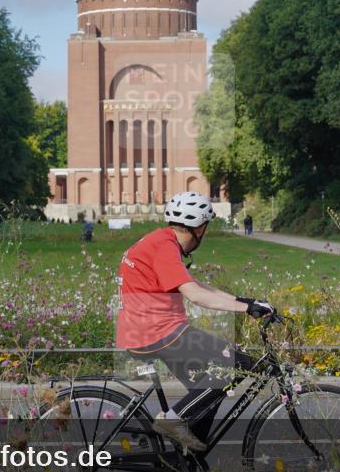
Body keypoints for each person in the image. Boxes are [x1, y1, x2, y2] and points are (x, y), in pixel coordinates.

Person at [116, 191, 276, 452]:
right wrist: (247, 308)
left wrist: (244, 301)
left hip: (148, 331)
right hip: (157, 332)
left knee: (205, 395)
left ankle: (189, 466)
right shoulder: (165, 248)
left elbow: (195, 284)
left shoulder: (161, 241)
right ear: (200, 228)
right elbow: (196, 295)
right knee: (234, 365)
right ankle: (172, 420)